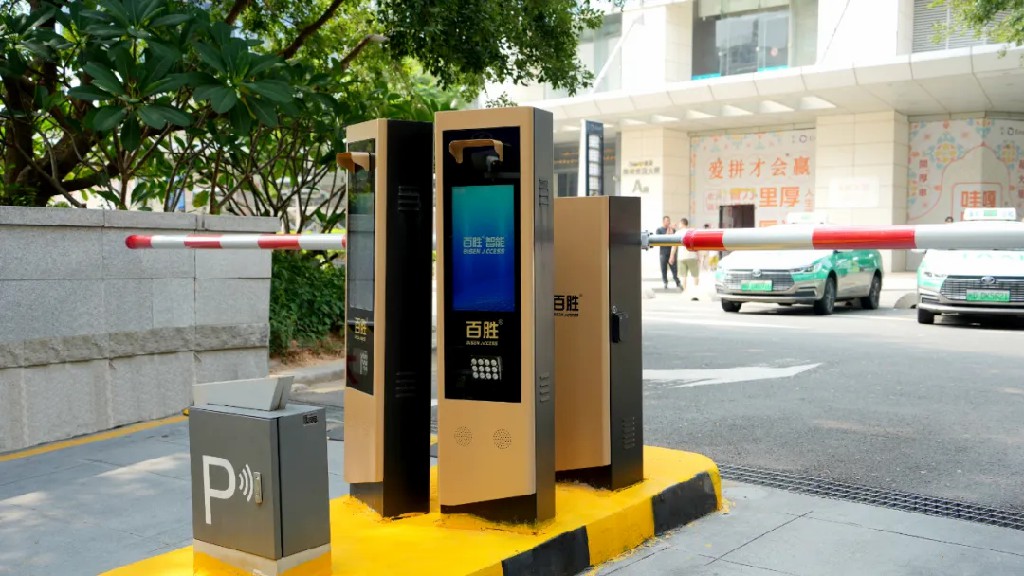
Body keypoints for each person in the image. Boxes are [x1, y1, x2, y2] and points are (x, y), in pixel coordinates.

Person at [671, 218, 700, 296]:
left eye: (679, 224)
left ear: (682, 224)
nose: (679, 225)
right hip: (692, 256)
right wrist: (698, 256)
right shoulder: (692, 232)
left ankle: (684, 291)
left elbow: (674, 246)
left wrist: (671, 256)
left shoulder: (677, 233)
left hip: (681, 257)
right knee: (695, 275)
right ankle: (696, 290)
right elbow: (696, 245)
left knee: (683, 276)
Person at [656, 216, 681, 290]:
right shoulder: (659, 230)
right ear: (663, 221)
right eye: (667, 221)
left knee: (674, 268)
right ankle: (665, 282)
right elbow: (662, 239)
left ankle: (677, 282)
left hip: (672, 253)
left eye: (669, 221)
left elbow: (675, 239)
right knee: (663, 269)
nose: (668, 222)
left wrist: (672, 229)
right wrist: (668, 229)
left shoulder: (673, 230)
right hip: (663, 253)